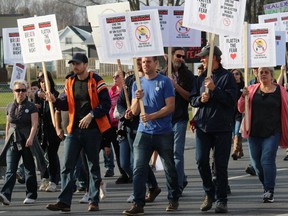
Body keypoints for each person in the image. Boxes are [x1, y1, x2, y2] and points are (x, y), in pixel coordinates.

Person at [45, 53, 111, 212]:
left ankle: (94, 200)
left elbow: (106, 104)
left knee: (93, 166)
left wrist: (91, 115)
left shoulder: (97, 80)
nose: (74, 66)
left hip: (93, 131)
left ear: (86, 64)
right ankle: (64, 202)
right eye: (73, 64)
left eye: (77, 64)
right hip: (74, 131)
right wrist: (55, 101)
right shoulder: (70, 81)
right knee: (67, 166)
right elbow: (66, 104)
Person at [123, 56, 180, 215]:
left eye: (149, 62)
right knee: (138, 167)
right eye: (143, 62)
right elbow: (134, 112)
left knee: (169, 167)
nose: (145, 64)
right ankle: (138, 203)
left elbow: (170, 107)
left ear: (156, 64)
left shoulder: (165, 82)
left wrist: (152, 116)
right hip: (143, 132)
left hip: (163, 132)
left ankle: (173, 198)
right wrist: (137, 100)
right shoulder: (137, 84)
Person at [190, 45, 237, 213]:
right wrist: (200, 100)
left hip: (222, 127)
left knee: (220, 165)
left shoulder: (227, 77)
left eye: (204, 56)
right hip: (203, 126)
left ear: (214, 58)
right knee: (201, 160)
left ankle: (221, 200)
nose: (201, 59)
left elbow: (231, 101)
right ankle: (209, 193)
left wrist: (214, 89)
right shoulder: (200, 77)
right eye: (202, 56)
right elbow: (192, 99)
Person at [238, 66, 288, 203]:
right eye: (261, 72)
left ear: (272, 75)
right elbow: (240, 108)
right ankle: (266, 185)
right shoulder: (252, 89)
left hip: (272, 132)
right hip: (254, 132)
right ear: (257, 75)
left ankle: (269, 190)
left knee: (267, 160)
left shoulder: (280, 90)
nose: (263, 74)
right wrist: (243, 97)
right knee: (257, 165)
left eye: (266, 72)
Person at [0, 80, 39, 205]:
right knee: (10, 170)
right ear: (14, 92)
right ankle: (5, 195)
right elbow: (8, 124)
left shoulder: (31, 106)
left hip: (26, 140)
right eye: (18, 90)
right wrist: (7, 138)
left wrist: (31, 138)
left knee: (29, 169)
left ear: (26, 92)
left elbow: (35, 124)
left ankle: (31, 194)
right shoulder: (10, 106)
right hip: (13, 141)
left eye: (23, 90)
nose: (20, 93)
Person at [165, 47, 196, 194]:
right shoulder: (163, 74)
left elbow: (190, 97)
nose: (181, 59)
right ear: (171, 56)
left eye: (183, 57)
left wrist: (176, 86)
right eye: (178, 56)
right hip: (165, 120)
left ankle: (176, 187)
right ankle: (181, 178)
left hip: (180, 118)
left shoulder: (187, 75)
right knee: (168, 154)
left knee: (177, 153)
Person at [35, 71, 62, 192]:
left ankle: (54, 180)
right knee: (41, 156)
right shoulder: (38, 96)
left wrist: (50, 99)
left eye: (45, 81)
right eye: (41, 82)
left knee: (52, 155)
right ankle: (44, 178)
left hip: (53, 130)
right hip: (42, 131)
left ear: (50, 81)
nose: (43, 84)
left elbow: (59, 109)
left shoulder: (55, 95)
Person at [230, 69, 245, 160]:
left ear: (240, 75)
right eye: (233, 74)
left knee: (237, 132)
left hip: (240, 113)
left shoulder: (244, 85)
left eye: (237, 74)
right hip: (231, 112)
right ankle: (241, 151)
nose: (235, 75)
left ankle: (235, 151)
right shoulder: (230, 85)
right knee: (234, 133)